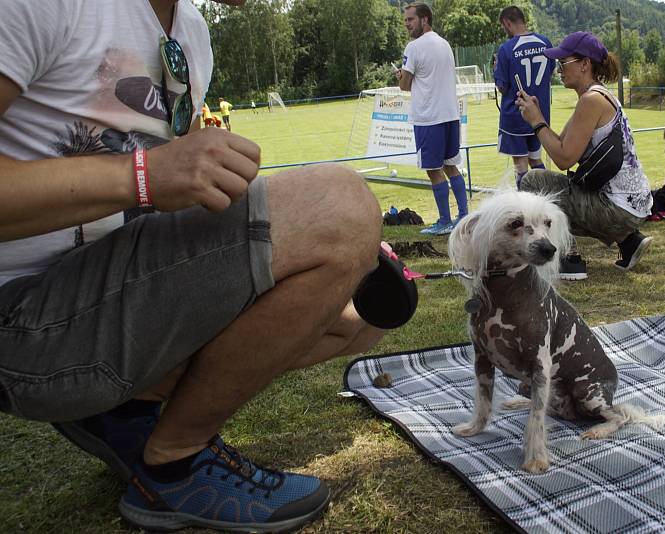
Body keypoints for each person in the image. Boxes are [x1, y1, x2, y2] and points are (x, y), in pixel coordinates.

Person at [0, 1, 385, 532]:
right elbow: (146, 177)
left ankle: (123, 412)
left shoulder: (191, 31)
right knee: (341, 203)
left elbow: (161, 193)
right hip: (21, 323)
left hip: (101, 294)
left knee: (356, 317)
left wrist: (303, 249)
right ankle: (175, 464)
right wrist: (139, 175)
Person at [515, 31, 653, 279]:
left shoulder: (591, 100)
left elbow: (564, 158)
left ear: (585, 64)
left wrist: (536, 122)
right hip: (632, 205)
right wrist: (537, 117)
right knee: (553, 185)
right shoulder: (598, 95)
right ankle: (629, 242)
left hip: (617, 209)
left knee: (532, 181)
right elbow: (560, 144)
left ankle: (569, 259)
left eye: (563, 63)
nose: (558, 69)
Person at [396, 2, 468, 236]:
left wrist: (400, 76)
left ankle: (445, 220)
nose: (407, 24)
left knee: (433, 170)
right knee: (451, 166)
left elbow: (405, 86)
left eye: (410, 19)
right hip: (450, 115)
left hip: (429, 118)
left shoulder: (414, 47)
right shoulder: (445, 44)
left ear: (424, 19)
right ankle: (464, 216)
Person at [494, 6, 555, 189]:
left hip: (516, 116)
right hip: (540, 115)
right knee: (536, 160)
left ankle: (526, 209)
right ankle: (548, 200)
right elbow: (550, 72)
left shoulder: (506, 49)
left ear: (507, 23)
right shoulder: (545, 42)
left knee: (520, 166)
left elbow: (502, 86)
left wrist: (496, 68)